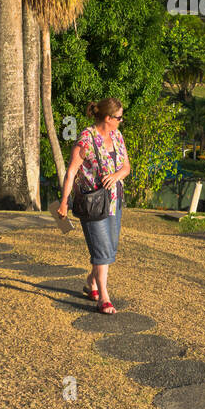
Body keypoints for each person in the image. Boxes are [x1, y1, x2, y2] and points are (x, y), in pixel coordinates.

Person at [56, 97, 131, 314]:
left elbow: (126, 166)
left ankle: (92, 281)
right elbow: (71, 172)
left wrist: (116, 175)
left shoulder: (117, 136)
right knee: (102, 250)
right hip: (92, 202)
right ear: (107, 118)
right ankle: (103, 297)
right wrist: (64, 203)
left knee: (109, 248)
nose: (121, 121)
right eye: (118, 117)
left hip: (114, 201)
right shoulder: (86, 140)